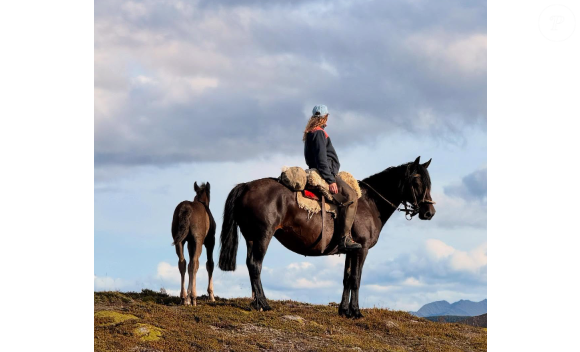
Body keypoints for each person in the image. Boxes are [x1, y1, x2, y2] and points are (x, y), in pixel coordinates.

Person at [303, 105, 362, 252]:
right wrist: (331, 180)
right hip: (326, 173)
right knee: (352, 197)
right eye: (327, 117)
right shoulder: (319, 133)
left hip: (323, 171)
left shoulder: (310, 132)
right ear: (324, 117)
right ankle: (344, 239)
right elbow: (322, 160)